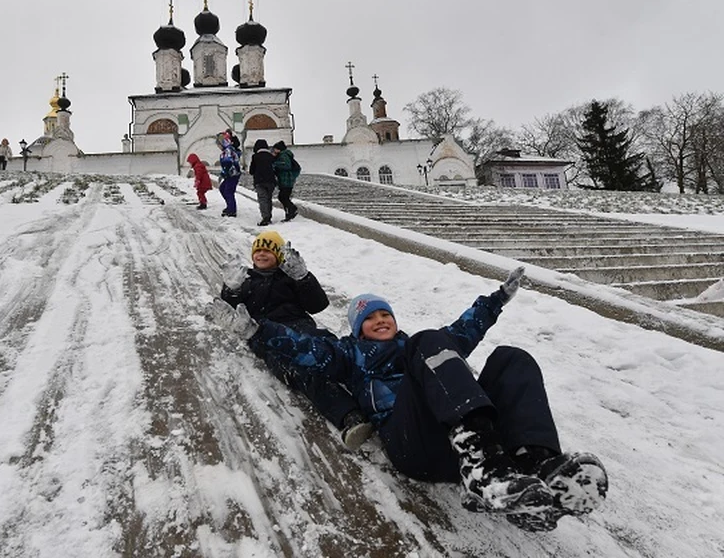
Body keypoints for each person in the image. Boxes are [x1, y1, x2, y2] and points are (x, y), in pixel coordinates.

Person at [205, 267, 608, 532]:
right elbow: (302, 349)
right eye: (371, 318)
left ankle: (535, 467)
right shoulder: (348, 355)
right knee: (429, 341)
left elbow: (466, 329)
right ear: (358, 328)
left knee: (510, 358)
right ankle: (482, 464)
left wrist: (497, 299)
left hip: (455, 438)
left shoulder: (418, 348)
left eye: (386, 315)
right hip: (415, 446)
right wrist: (258, 331)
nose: (381, 320)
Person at [220, 230, 373, 449]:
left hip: (302, 328)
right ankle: (349, 415)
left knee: (337, 352)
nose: (262, 254)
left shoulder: (288, 278)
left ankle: (374, 394)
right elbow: (231, 313)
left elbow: (318, 305)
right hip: (267, 336)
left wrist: (304, 278)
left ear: (279, 255)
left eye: (268, 250)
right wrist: (231, 290)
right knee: (304, 369)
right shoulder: (246, 281)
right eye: (258, 250)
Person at [249, 139, 277, 226]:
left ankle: (265, 217)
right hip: (271, 181)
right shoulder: (271, 157)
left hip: (260, 181)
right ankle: (269, 215)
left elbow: (251, 171)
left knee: (262, 199)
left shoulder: (255, 157)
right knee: (269, 198)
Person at [272, 141, 301, 221]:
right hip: (286, 180)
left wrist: (274, 164)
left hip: (286, 180)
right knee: (283, 197)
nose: (274, 151)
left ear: (279, 149)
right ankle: (289, 213)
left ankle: (292, 209)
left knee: (283, 197)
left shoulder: (284, 155)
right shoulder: (284, 155)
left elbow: (286, 165)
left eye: (275, 149)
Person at [217, 130, 242, 217]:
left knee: (228, 191)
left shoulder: (228, 151)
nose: (219, 147)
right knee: (223, 189)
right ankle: (229, 206)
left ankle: (232, 210)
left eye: (219, 144)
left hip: (232, 174)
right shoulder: (227, 150)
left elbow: (227, 163)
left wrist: (223, 173)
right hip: (230, 174)